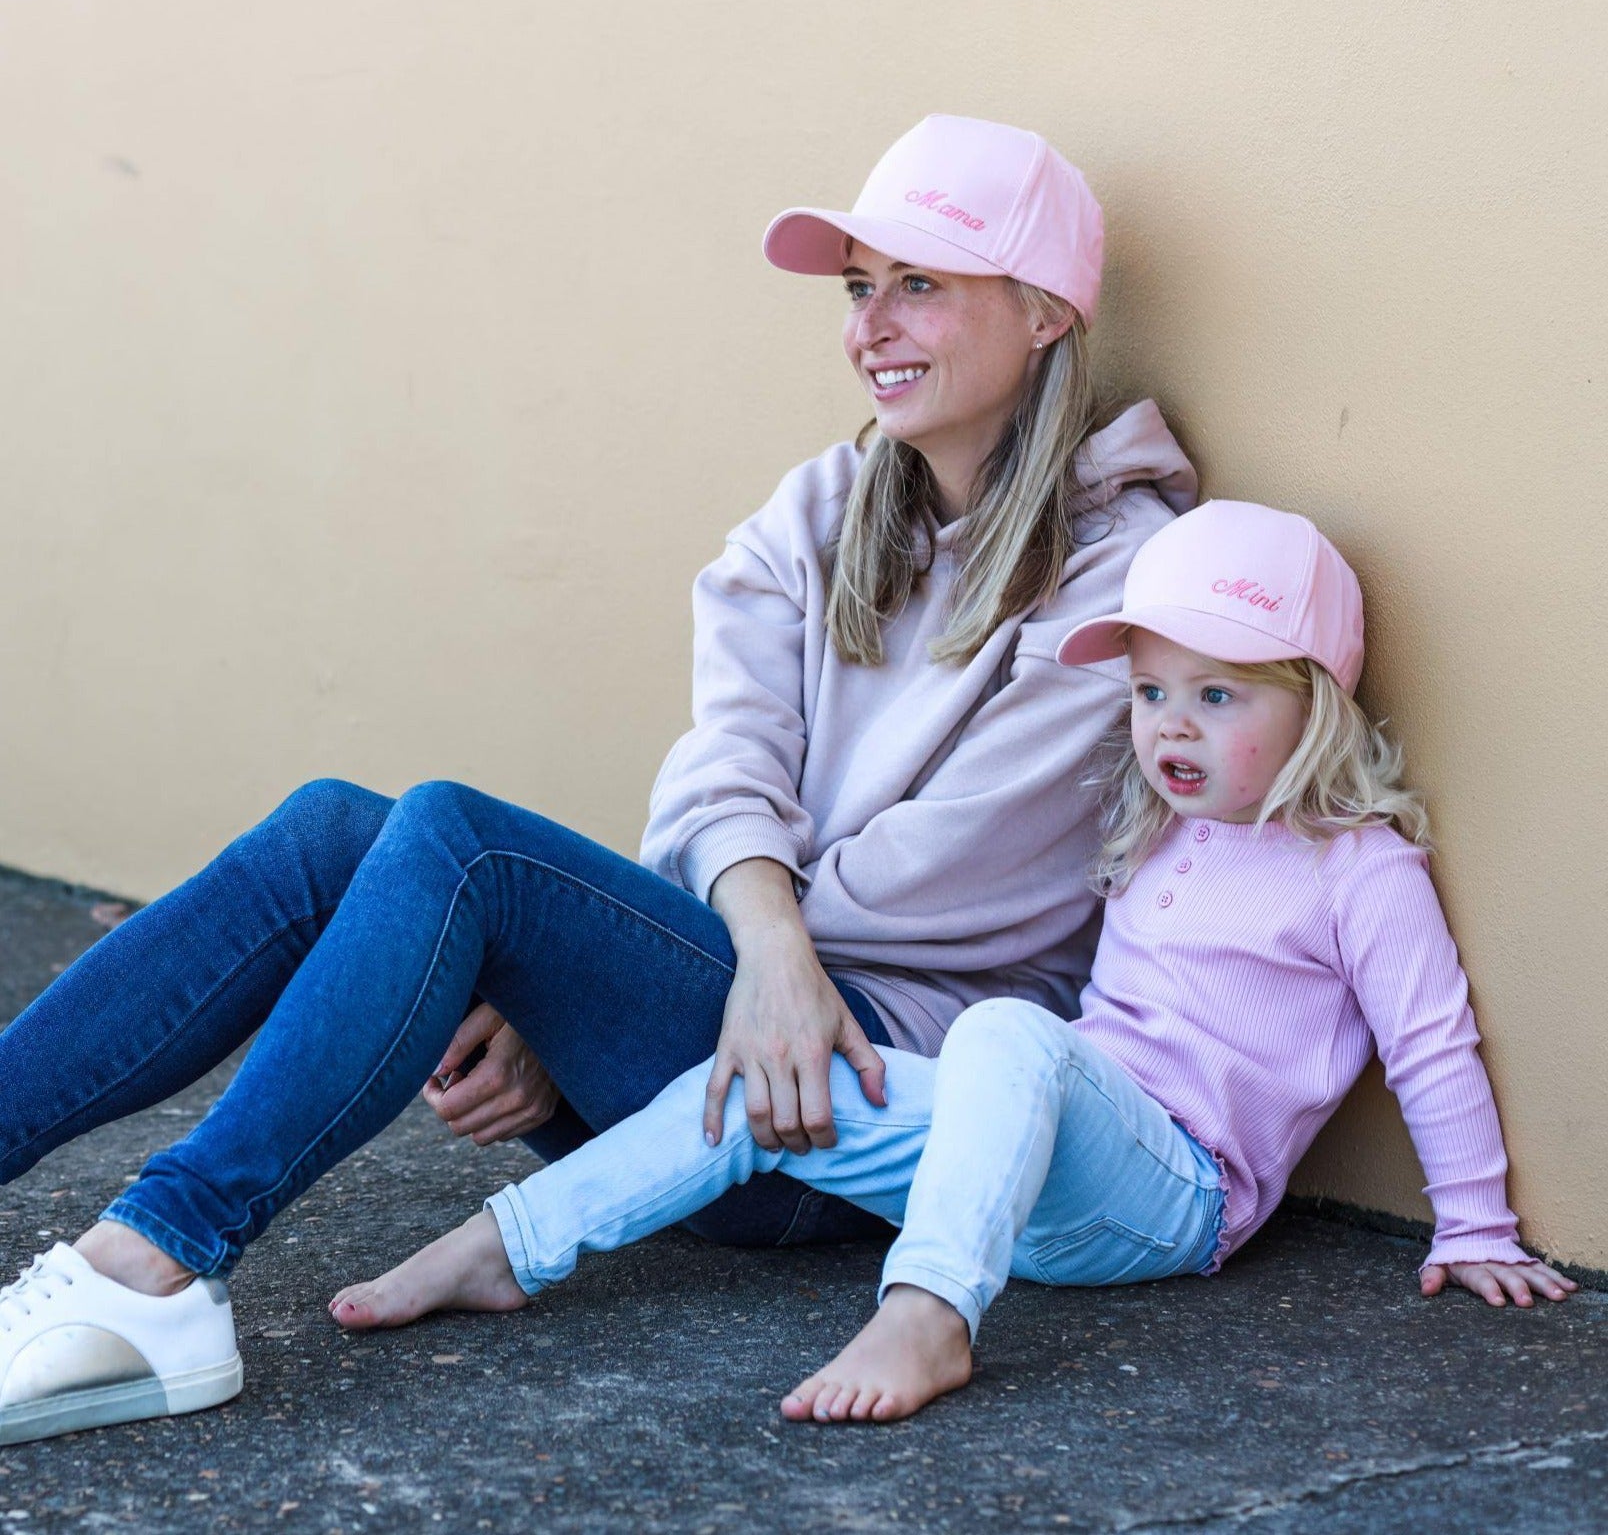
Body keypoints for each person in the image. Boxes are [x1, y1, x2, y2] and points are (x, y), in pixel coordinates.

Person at [0, 114, 1198, 1446]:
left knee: (466, 847)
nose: (870, 325)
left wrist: (607, 967)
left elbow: (958, 882)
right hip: (750, 1012)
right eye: (860, 288)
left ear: (1041, 310)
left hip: (843, 1106)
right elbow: (721, 768)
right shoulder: (825, 510)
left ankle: (152, 1264)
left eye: (918, 283)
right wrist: (583, 990)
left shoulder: (1124, 584)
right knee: (337, 830)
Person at [327, 500, 1577, 1424]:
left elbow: (1430, 1038)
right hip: (1030, 1158)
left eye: (1219, 697)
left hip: (1177, 1196)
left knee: (1007, 1035)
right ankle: (513, 1241)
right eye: (1150, 695)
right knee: (776, 1072)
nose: (1171, 728)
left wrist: (1474, 1222)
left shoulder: (1360, 868)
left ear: (1316, 701)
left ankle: (927, 1314)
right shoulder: (1157, 831)